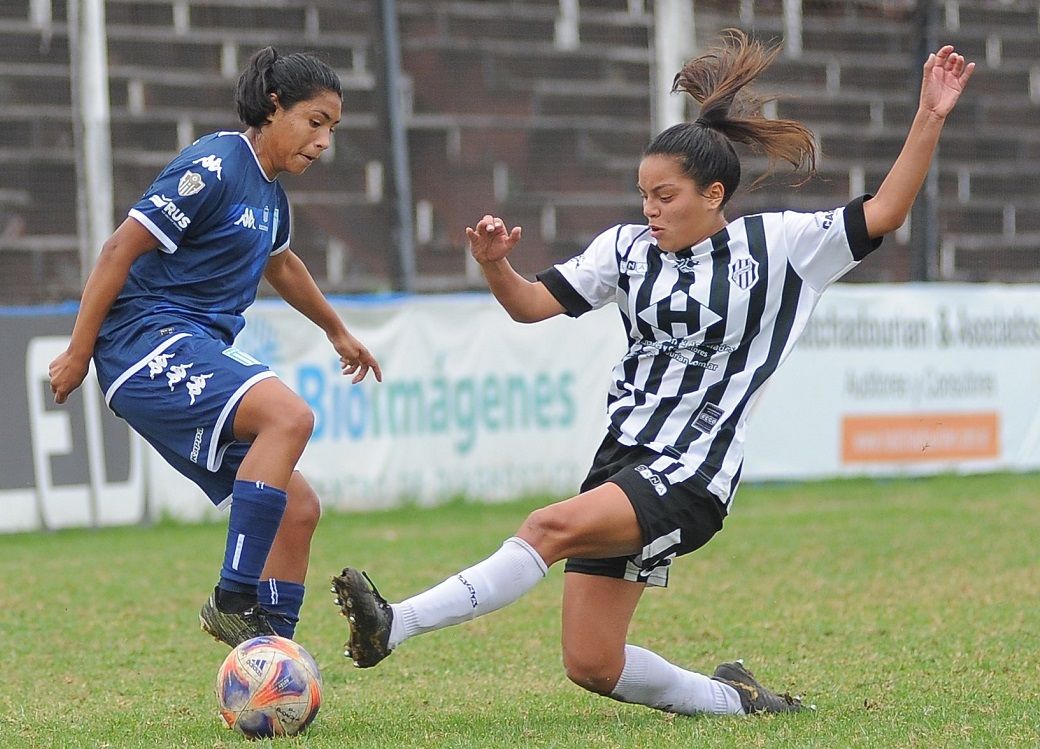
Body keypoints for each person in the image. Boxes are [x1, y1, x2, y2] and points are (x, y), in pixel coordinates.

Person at [332, 31, 973, 715]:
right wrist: (494, 264)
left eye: (664, 196)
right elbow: (527, 305)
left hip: (693, 471)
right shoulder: (627, 249)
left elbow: (886, 210)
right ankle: (745, 703)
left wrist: (930, 115)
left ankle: (393, 623)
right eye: (643, 195)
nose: (649, 209)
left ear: (713, 193)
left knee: (546, 527)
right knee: (592, 661)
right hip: (623, 461)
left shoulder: (782, 247)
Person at [48, 47, 381, 647]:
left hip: (185, 345)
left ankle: (272, 662)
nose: (324, 141)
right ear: (274, 107)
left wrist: (337, 330)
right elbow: (117, 251)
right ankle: (232, 598)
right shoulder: (215, 166)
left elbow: (282, 267)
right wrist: (79, 352)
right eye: (315, 122)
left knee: (297, 508)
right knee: (290, 416)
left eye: (332, 128)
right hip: (144, 343)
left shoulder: (271, 199)